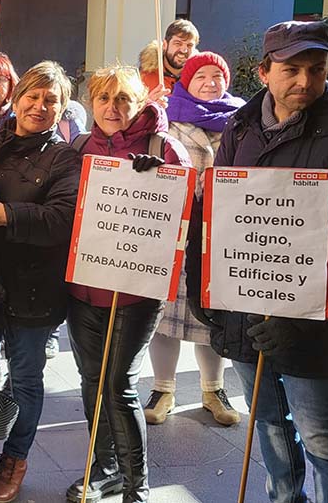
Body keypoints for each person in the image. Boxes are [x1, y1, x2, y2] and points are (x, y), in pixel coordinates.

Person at [189, 21, 328, 503]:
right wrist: (203, 291)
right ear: (263, 72)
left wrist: (299, 317)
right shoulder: (240, 127)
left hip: (309, 323)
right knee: (271, 428)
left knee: (323, 441)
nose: (304, 81)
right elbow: (219, 214)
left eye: (316, 70)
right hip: (243, 312)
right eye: (291, 69)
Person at [0, 61, 82, 502]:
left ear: (62, 108)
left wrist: (3, 214)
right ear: (18, 98)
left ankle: (13, 459)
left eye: (50, 100)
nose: (39, 106)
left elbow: (61, 220)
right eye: (32, 96)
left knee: (24, 379)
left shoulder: (66, 158)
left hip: (36, 288)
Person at [68, 65, 191, 503]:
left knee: (118, 384)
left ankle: (136, 484)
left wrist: (164, 181)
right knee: (90, 380)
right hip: (85, 287)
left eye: (122, 99)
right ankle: (104, 470)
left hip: (137, 290)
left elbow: (186, 215)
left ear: (139, 102)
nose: (112, 108)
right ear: (91, 104)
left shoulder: (165, 147)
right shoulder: (80, 146)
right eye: (103, 98)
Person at [144, 52, 245, 427]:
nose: (210, 82)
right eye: (200, 75)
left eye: (217, 76)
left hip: (219, 231)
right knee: (164, 313)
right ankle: (162, 387)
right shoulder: (166, 117)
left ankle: (212, 389)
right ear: (186, 81)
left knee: (211, 313)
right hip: (175, 229)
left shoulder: (240, 119)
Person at [139, 19, 199, 93]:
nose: (184, 50)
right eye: (178, 43)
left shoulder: (198, 79)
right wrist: (149, 102)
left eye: (189, 45)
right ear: (165, 45)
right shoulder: (143, 78)